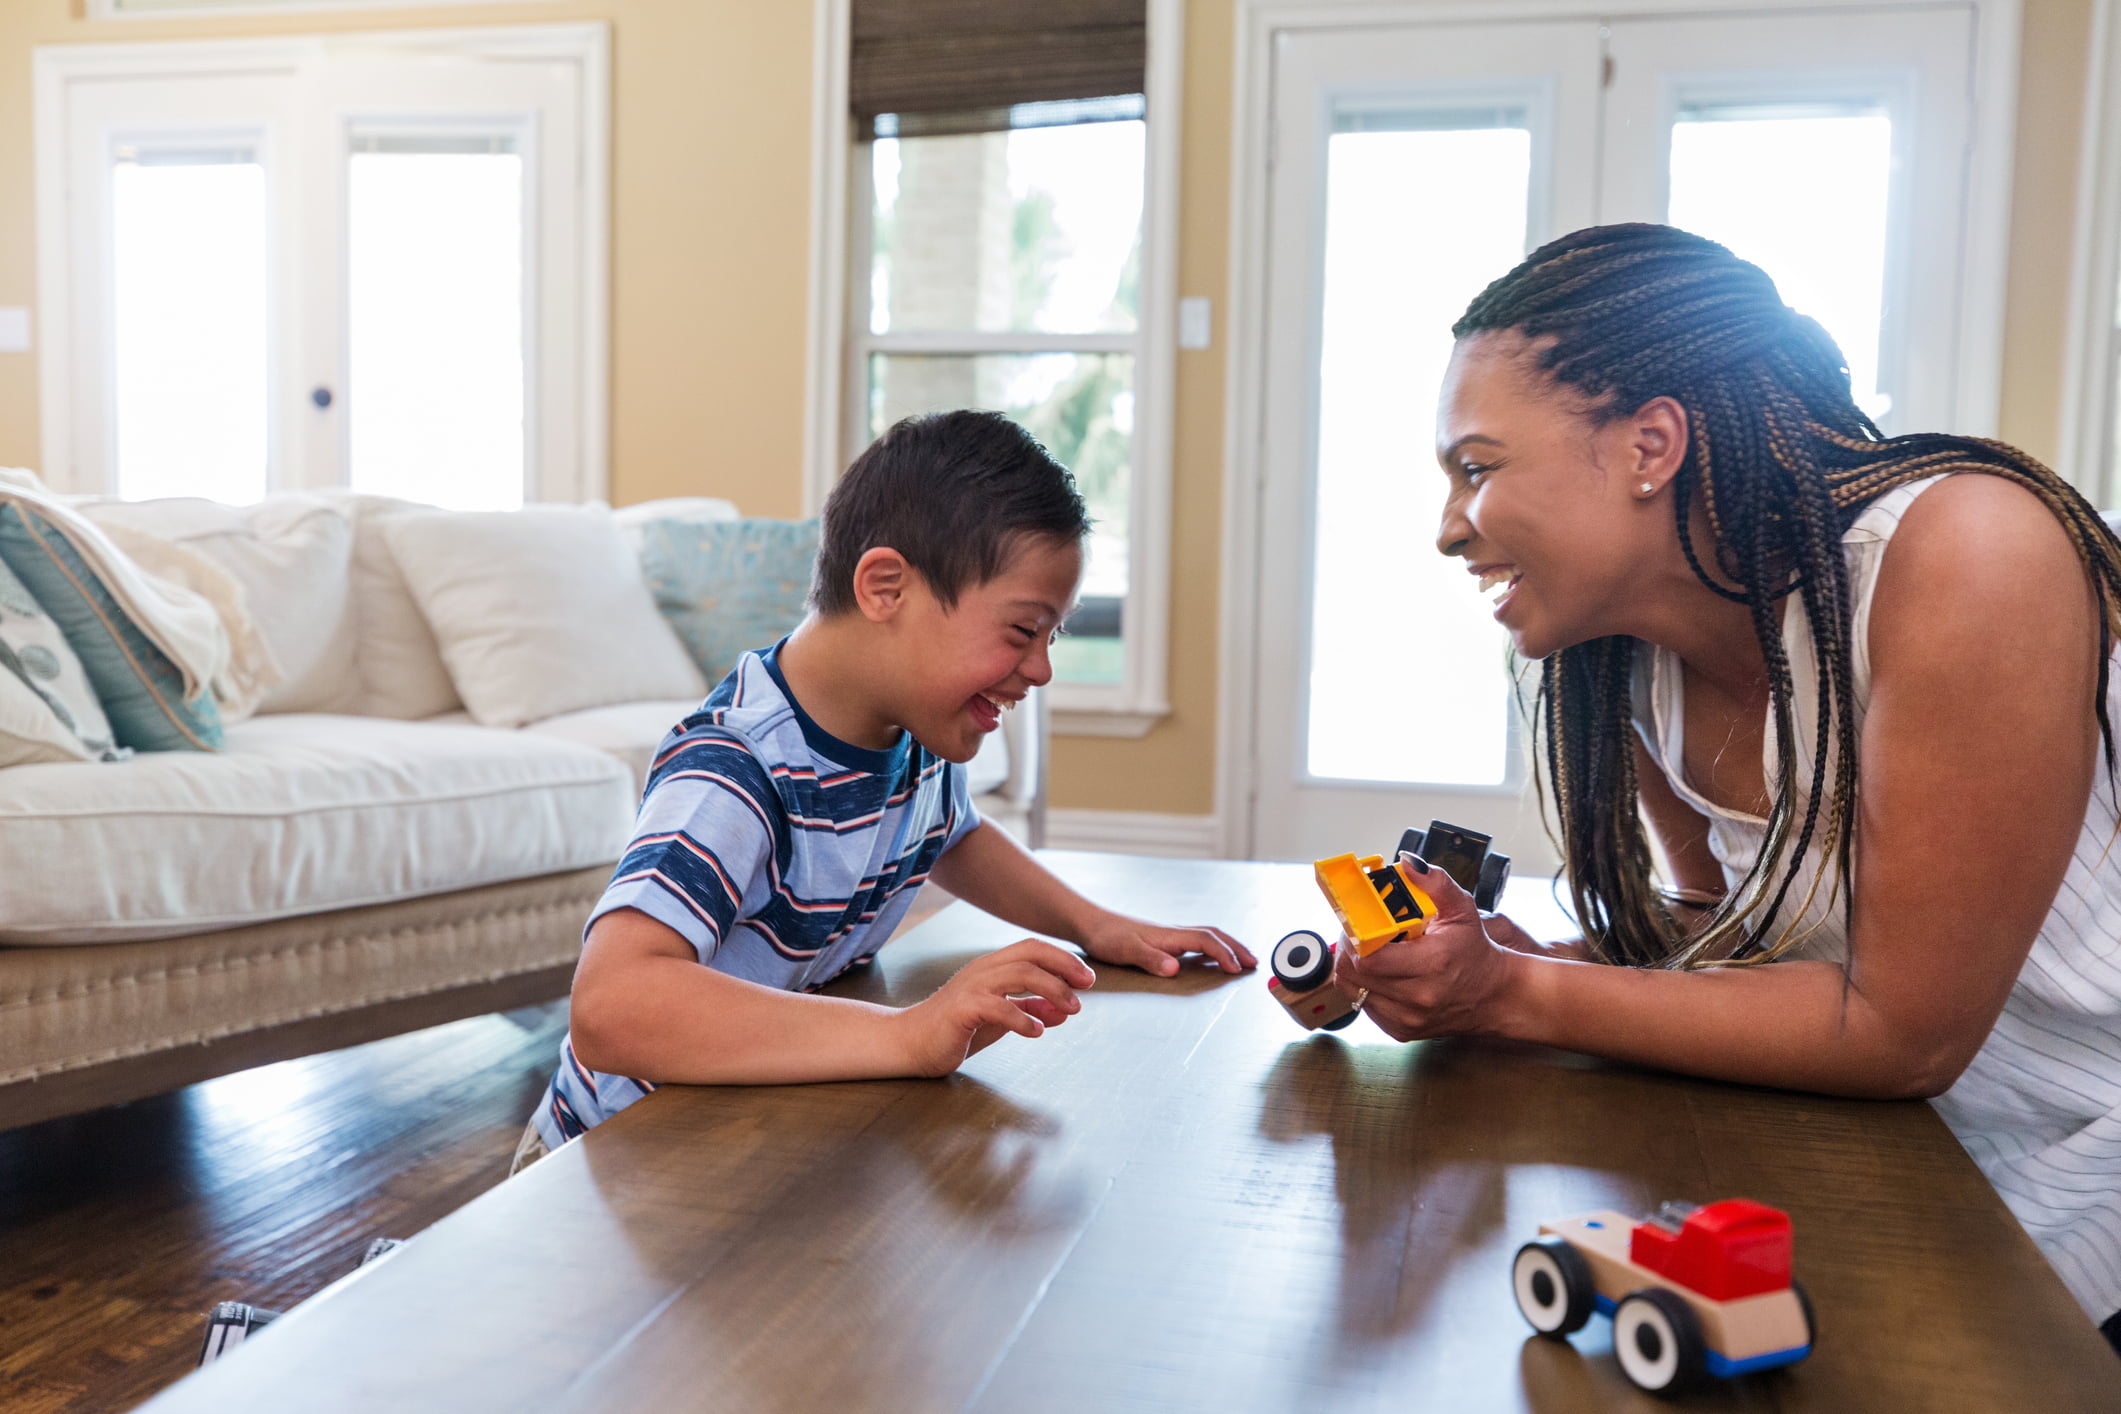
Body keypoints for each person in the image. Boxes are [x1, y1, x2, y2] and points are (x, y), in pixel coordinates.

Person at [1336, 223, 2121, 1351]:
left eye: (1478, 467)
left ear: (1652, 442)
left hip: (2082, 1188)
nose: (1450, 528)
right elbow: (1723, 953)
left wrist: (1509, 996)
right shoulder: (1634, 653)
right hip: (1904, 1165)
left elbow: (1902, 1032)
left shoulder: (1968, 553)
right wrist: (1497, 965)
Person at [516, 411, 1255, 1169]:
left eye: (1052, 637)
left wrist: (1096, 926)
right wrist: (910, 1034)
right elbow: (611, 1008)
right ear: (886, 587)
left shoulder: (908, 738)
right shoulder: (736, 772)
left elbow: (953, 835)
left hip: (741, 1131)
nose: (1040, 670)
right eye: (1021, 630)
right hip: (608, 1167)